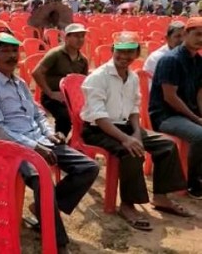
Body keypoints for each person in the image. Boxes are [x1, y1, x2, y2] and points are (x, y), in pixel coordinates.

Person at [0, 32, 99, 253]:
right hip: (13, 149)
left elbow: (37, 114)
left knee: (88, 167)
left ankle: (42, 208)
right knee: (43, 181)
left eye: (15, 51)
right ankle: (57, 242)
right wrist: (34, 147)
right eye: (5, 51)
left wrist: (49, 133)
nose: (12, 56)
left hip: (40, 140)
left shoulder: (20, 83)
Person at [82, 32, 191, 231]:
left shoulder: (131, 76)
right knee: (131, 152)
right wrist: (126, 139)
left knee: (166, 145)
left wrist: (136, 134)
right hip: (99, 129)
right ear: (113, 51)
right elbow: (98, 117)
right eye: (120, 52)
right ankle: (128, 204)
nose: (125, 56)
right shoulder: (98, 77)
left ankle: (161, 197)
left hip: (126, 126)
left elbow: (133, 109)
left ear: (137, 53)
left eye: (130, 52)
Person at [149, 17, 202, 198]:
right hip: (166, 116)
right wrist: (196, 119)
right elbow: (170, 97)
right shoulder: (170, 60)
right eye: (197, 34)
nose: (201, 39)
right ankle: (194, 182)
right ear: (186, 34)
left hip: (187, 114)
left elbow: (199, 94)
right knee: (200, 135)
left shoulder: (198, 60)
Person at [32, 23, 89, 137]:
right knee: (64, 118)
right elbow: (36, 72)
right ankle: (59, 143)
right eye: (76, 36)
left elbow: (81, 82)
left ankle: (76, 143)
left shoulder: (83, 60)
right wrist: (50, 93)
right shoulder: (56, 54)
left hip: (72, 98)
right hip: (53, 96)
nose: (80, 39)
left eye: (82, 36)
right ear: (67, 37)